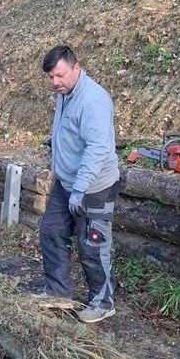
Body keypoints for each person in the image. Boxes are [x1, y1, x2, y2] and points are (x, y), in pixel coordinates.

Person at [37, 44, 121, 324]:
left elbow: (98, 148)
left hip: (94, 187)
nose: (55, 82)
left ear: (76, 67)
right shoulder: (66, 93)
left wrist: (81, 189)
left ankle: (103, 301)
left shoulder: (93, 100)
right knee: (51, 231)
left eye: (59, 75)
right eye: (50, 78)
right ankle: (58, 293)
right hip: (67, 182)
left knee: (92, 245)